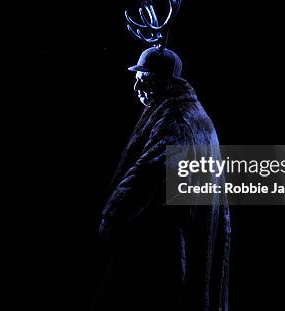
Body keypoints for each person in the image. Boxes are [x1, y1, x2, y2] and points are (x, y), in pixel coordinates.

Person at [94, 46, 231, 311]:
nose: (137, 87)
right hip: (183, 226)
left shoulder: (177, 117)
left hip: (168, 235)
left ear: (162, 80)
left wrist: (113, 214)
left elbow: (154, 167)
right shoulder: (188, 112)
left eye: (143, 77)